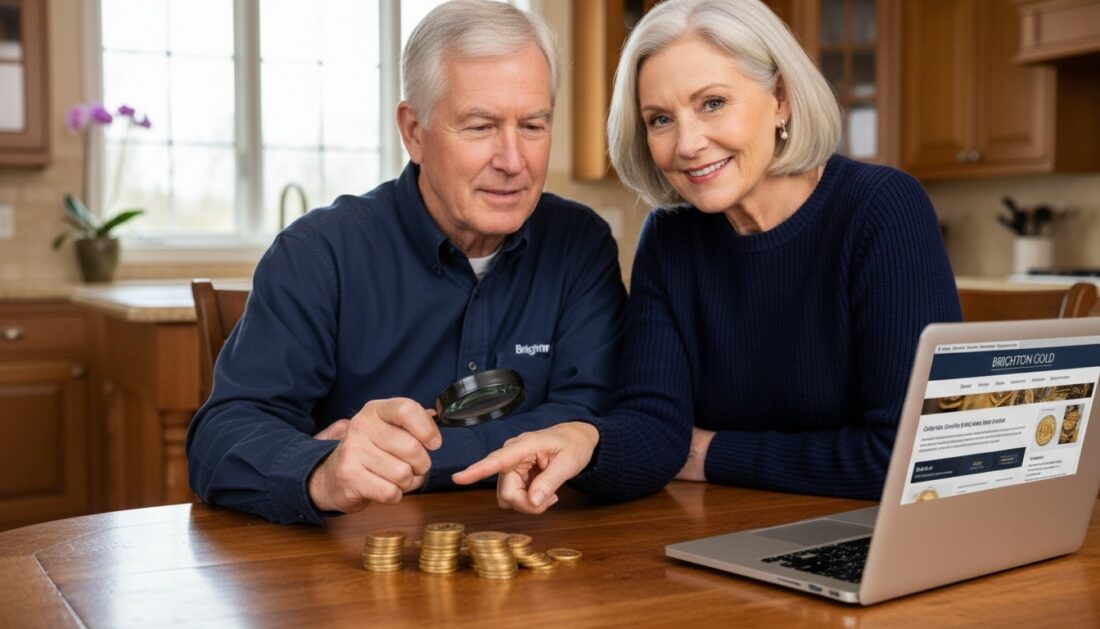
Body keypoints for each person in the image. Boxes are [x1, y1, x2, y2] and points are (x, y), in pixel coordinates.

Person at [453, 0, 961, 513]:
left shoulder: (882, 209)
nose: (689, 143)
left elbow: (916, 454)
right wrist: (587, 441)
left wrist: (713, 451)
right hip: (724, 534)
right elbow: (656, 430)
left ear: (781, 97)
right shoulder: (670, 239)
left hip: (873, 540)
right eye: (660, 119)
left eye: (713, 103)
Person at [186, 0, 626, 524]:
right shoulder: (318, 253)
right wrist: (323, 473)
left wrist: (415, 460)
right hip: (352, 575)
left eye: (533, 126)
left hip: (538, 561)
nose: (513, 161)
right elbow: (221, 437)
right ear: (414, 131)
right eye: (481, 126)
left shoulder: (581, 244)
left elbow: (590, 418)